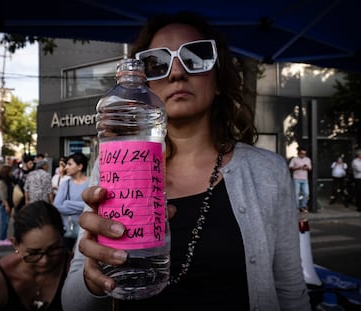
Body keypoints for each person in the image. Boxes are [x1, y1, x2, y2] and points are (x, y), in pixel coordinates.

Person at [61, 12, 310, 310]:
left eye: (196, 56)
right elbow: (72, 304)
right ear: (144, 83)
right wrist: (94, 277)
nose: (176, 73)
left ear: (218, 79)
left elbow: (291, 291)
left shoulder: (267, 171)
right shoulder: (113, 167)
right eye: (157, 63)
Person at [0, 200, 72, 310]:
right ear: (15, 244)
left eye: (54, 249)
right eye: (34, 253)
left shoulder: (74, 269)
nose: (44, 260)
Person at [54, 152, 90, 251]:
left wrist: (68, 203)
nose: (66, 168)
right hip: (68, 230)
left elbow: (94, 207)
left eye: (70, 164)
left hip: (87, 230)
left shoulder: (91, 183)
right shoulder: (65, 184)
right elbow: (57, 206)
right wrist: (83, 208)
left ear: (80, 166)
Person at [0, 164, 15, 246]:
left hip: (8, 204)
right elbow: (2, 195)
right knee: (4, 222)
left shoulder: (7, 180)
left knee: (6, 221)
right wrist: (6, 205)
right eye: (10, 171)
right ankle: (2, 239)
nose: (11, 173)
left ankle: (4, 238)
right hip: (5, 205)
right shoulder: (2, 182)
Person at [289, 147, 312, 212]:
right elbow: (290, 167)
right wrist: (299, 167)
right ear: (299, 153)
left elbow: (310, 168)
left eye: (304, 154)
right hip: (296, 178)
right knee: (296, 193)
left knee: (306, 193)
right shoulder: (294, 159)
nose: (303, 155)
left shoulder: (307, 159)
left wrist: (306, 168)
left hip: (305, 178)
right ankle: (296, 207)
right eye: (302, 153)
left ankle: (303, 206)